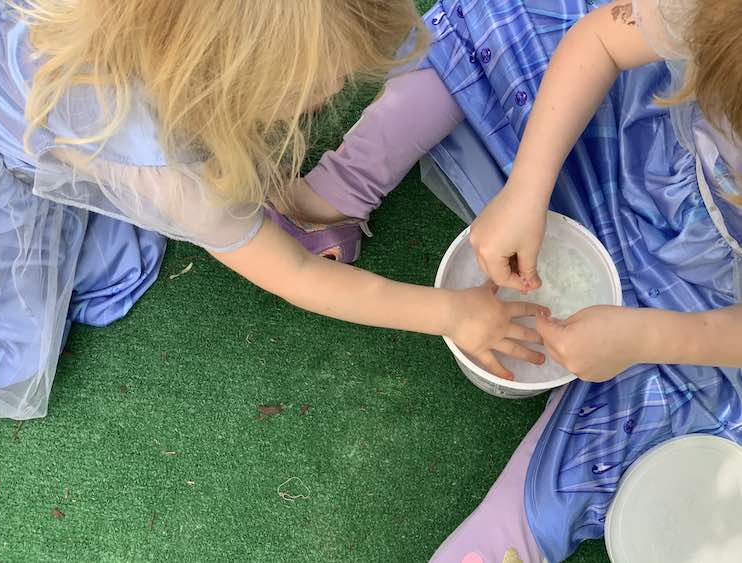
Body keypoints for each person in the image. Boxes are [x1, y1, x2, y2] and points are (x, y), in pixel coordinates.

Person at [289, 0, 742, 560]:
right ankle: (341, 191)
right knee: (504, 20)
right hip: (647, 148)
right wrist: (528, 185)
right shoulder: (714, 13)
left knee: (664, 413)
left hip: (713, 303)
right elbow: (599, 40)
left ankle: (510, 537)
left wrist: (648, 337)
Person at [0, 0, 548, 420]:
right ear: (228, 84)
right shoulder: (177, 182)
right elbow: (297, 273)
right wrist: (455, 313)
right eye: (326, 82)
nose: (339, 87)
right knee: (50, 303)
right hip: (11, 151)